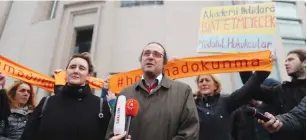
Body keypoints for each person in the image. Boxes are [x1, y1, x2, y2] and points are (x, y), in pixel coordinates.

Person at [105, 42, 200, 140]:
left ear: (164, 63)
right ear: (141, 60)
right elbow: (112, 134)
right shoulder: (125, 94)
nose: (150, 57)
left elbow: (190, 133)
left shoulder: (182, 92)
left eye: (156, 54)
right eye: (146, 53)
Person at [20, 52, 123, 140]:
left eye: (81, 68)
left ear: (88, 76)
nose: (76, 71)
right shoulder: (46, 103)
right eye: (72, 67)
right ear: (66, 72)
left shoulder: (101, 106)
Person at [239, 49, 306, 140]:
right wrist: (245, 66)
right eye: (285, 61)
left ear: (304, 62)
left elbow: (299, 115)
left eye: (290, 60)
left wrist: (279, 121)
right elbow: (254, 91)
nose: (286, 63)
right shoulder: (282, 89)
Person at [195, 70, 270, 140]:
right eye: (201, 81)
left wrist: (265, 69)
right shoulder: (193, 105)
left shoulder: (226, 102)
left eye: (207, 80)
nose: (204, 83)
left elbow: (248, 88)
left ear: (215, 85)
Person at [0, 73, 36, 140]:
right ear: (14, 92)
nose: (26, 94)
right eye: (22, 90)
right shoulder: (5, 111)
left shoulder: (34, 113)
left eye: (28, 92)